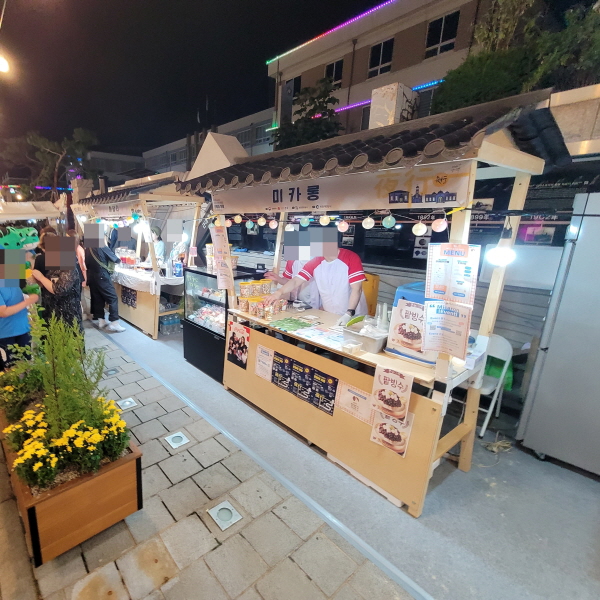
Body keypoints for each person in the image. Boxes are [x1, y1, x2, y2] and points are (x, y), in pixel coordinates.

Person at [265, 247, 368, 325]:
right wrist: (278, 293)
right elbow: (295, 281)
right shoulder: (316, 261)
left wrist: (349, 313)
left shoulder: (350, 257)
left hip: (353, 314)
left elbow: (357, 289)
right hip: (330, 314)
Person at [31, 233, 83, 332]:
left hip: (67, 315)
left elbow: (59, 289)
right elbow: (47, 284)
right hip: (51, 312)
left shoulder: (68, 265)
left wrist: (41, 277)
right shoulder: (55, 264)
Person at [0, 244, 39, 370]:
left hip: (23, 329)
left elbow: (16, 296)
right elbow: (3, 312)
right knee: (11, 371)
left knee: (27, 366)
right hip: (6, 334)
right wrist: (28, 302)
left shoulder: (10, 278)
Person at [85, 236, 126, 332]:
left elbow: (86, 263)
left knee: (98, 298)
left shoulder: (88, 248)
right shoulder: (102, 246)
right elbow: (116, 260)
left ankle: (101, 321)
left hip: (91, 276)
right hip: (102, 276)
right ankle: (114, 322)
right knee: (113, 298)